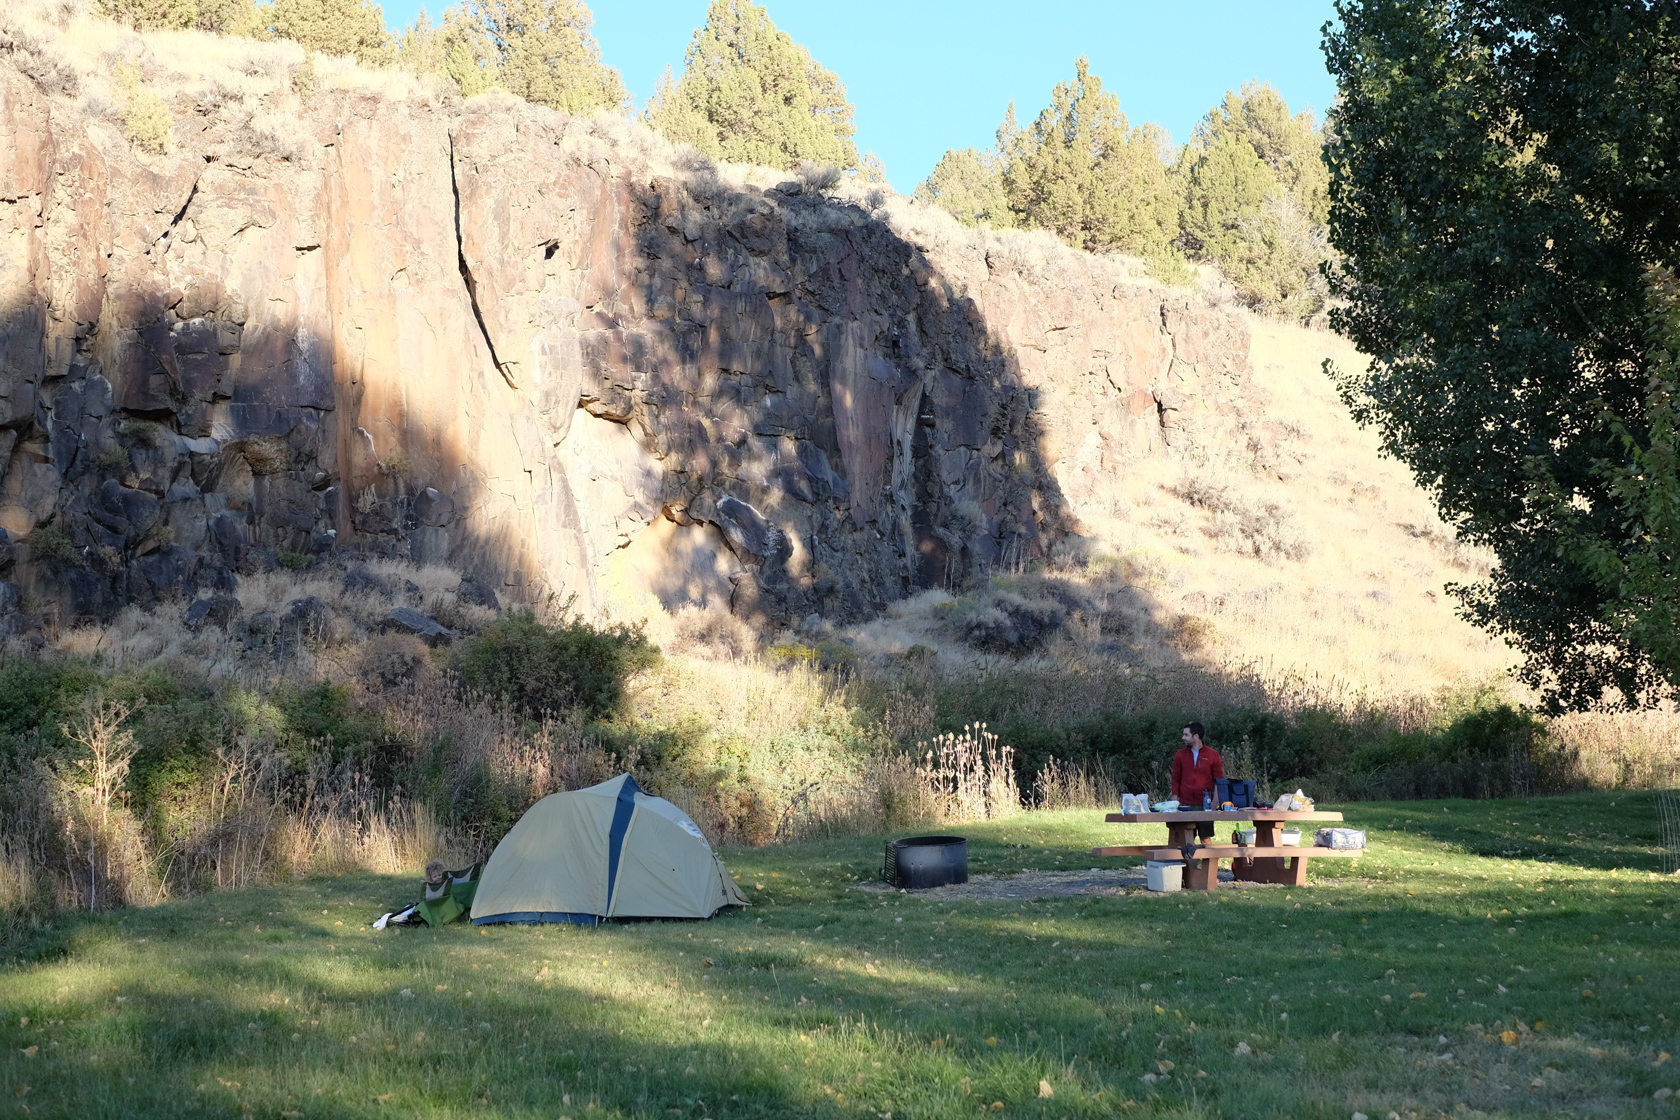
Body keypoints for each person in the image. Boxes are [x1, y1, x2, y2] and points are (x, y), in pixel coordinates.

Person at [1171, 722, 1224, 840]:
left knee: (1205, 839)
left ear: (1196, 736)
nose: (1183, 738)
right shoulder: (1180, 755)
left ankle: (1209, 859)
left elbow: (1219, 780)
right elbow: (1175, 778)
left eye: (1186, 735)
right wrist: (1174, 799)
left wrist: (1215, 802)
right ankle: (1190, 859)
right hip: (1185, 804)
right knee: (1185, 839)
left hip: (1205, 804)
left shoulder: (1213, 755)